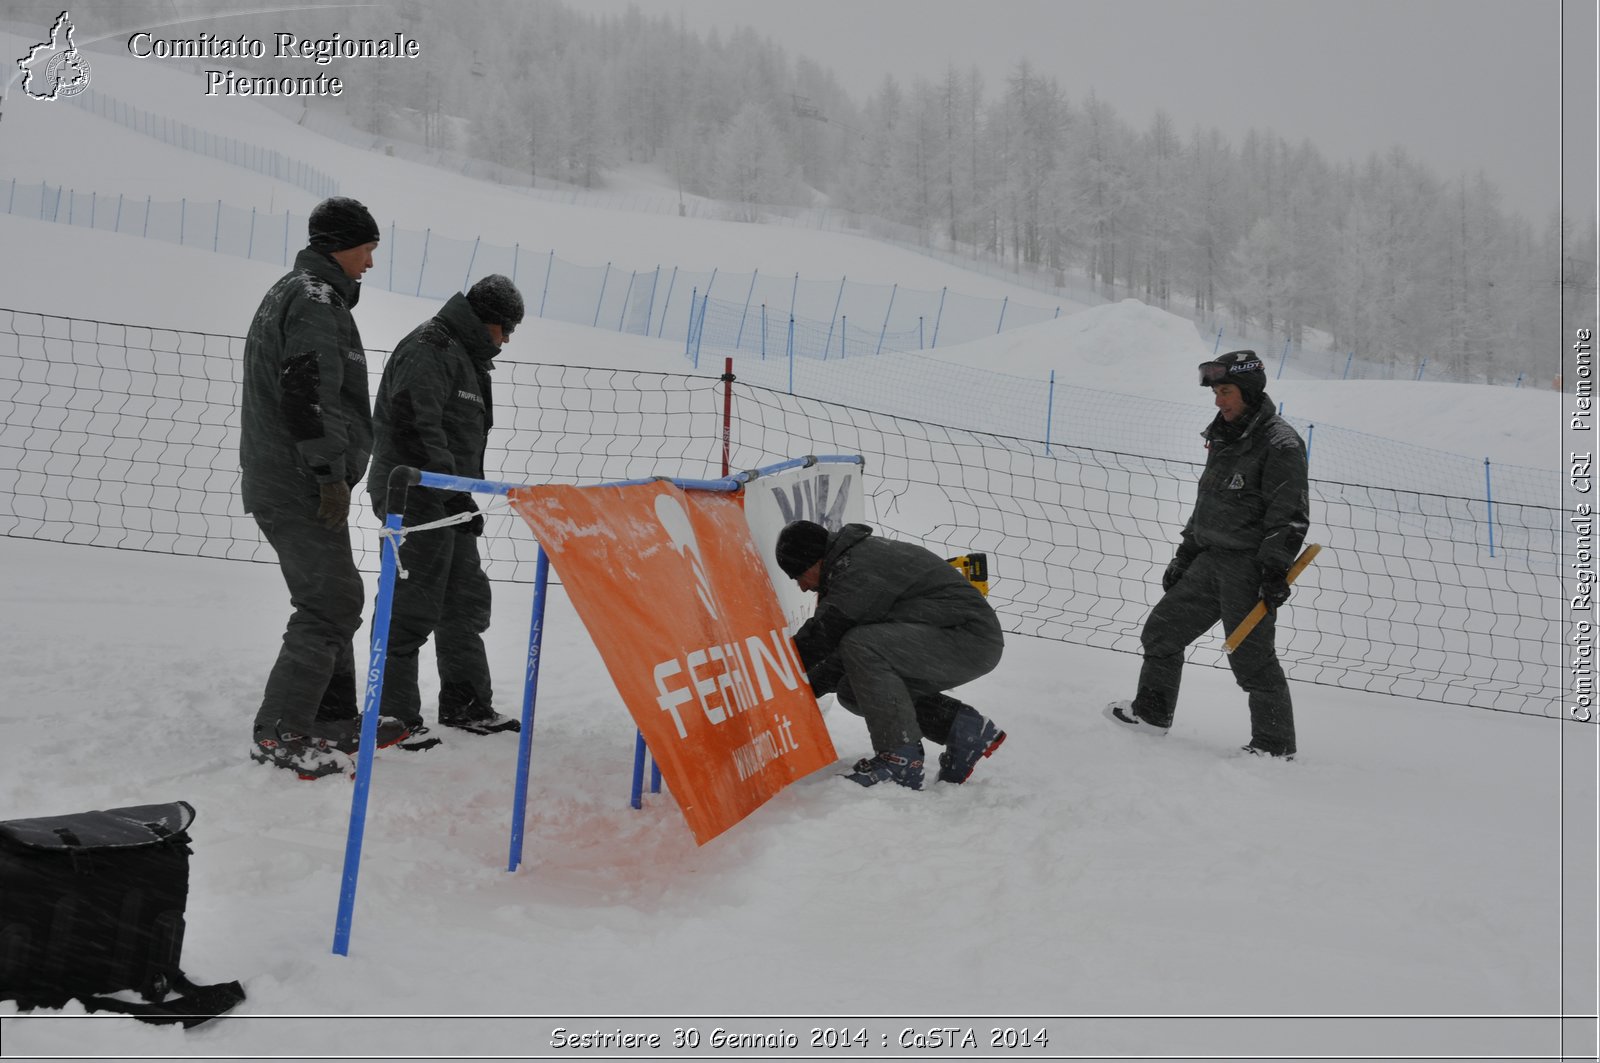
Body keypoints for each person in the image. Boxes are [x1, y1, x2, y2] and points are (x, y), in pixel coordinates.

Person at [242, 196, 408, 779]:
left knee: (336, 596)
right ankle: (284, 730)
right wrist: (326, 475)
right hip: (298, 480)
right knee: (330, 602)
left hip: (285, 475)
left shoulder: (297, 291)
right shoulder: (314, 300)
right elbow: (307, 394)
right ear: (341, 244)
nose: (369, 261)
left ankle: (328, 716)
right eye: (366, 248)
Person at [1105, 349, 1310, 758]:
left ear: (1249, 390)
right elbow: (1208, 504)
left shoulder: (1280, 443)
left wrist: (1273, 569)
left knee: (1251, 658)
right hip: (1208, 559)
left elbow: (1288, 515)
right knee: (1162, 631)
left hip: (1248, 569)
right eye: (1216, 392)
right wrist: (1186, 554)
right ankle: (1151, 713)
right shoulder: (1223, 436)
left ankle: (1274, 746)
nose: (1219, 401)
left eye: (1226, 391)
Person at [366, 275, 527, 748]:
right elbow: (418, 424)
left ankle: (466, 702)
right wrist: (447, 489)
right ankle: (393, 718)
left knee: (465, 601)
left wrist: (461, 495)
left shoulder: (466, 357)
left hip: (449, 497)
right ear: (487, 321)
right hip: (414, 496)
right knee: (410, 608)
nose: (508, 340)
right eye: (506, 329)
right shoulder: (429, 347)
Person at [774, 520, 1006, 789]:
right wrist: (801, 689)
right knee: (854, 690)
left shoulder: (857, 569)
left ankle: (899, 760)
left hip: (969, 639)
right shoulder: (849, 563)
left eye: (797, 576)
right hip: (955, 636)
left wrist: (776, 677)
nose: (801, 587)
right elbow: (838, 652)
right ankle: (962, 729)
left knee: (861, 644)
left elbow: (824, 636)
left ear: (812, 561)